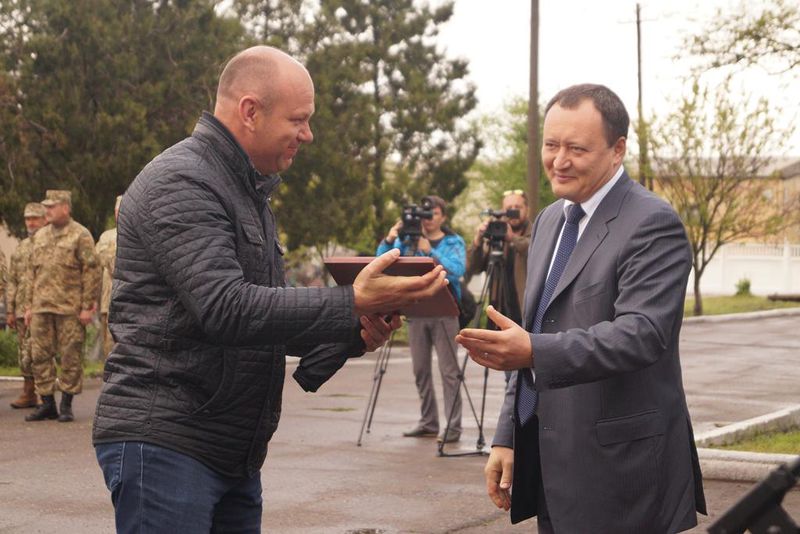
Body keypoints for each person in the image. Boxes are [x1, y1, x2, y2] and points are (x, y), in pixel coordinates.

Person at [92, 45, 447, 534]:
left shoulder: (245, 189)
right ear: (251, 111)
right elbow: (226, 309)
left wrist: (354, 330)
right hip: (169, 443)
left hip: (228, 449)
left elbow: (262, 320)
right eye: (298, 120)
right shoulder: (182, 182)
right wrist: (352, 300)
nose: (308, 134)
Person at [456, 84, 706, 533]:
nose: (559, 160)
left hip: (623, 476)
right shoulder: (552, 219)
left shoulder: (652, 222)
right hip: (552, 469)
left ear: (617, 150)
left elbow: (643, 333)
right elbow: (533, 330)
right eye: (551, 145)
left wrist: (532, 350)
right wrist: (507, 437)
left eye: (576, 148)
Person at [377, 195, 466, 443]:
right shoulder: (406, 241)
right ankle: (428, 422)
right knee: (420, 370)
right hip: (415, 310)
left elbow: (458, 270)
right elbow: (380, 263)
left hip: (445, 311)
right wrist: (390, 237)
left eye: (434, 214)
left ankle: (453, 427)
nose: (427, 220)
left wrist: (432, 252)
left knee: (449, 371)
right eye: (424, 214)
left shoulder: (452, 241)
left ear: (443, 217)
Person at [24, 190, 100, 423]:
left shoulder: (80, 235)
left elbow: (92, 270)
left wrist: (87, 306)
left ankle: (66, 403)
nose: (47, 211)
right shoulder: (40, 236)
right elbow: (31, 272)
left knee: (70, 356)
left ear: (65, 208)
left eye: (52, 207)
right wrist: (28, 305)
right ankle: (47, 403)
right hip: (41, 307)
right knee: (39, 356)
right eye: (45, 207)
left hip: (69, 308)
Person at [466, 190, 531, 327]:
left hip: (523, 312)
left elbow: (531, 249)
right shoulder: (495, 235)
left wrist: (512, 238)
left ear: (527, 210)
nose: (513, 212)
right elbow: (474, 267)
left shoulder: (537, 231)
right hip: (497, 311)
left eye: (517, 208)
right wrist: (477, 241)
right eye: (508, 209)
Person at [6, 202, 47, 409]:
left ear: (44, 219)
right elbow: (12, 280)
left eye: (35, 218)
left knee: (41, 352)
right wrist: (10, 310)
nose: (30, 222)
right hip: (22, 309)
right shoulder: (21, 248)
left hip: (42, 307)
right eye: (27, 219)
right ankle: (28, 392)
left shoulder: (48, 243)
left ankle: (44, 394)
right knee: (24, 353)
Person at [94, 195, 121, 360]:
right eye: (117, 211)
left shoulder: (141, 233)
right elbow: (103, 262)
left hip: (132, 302)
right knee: (110, 349)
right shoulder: (107, 237)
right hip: (108, 302)